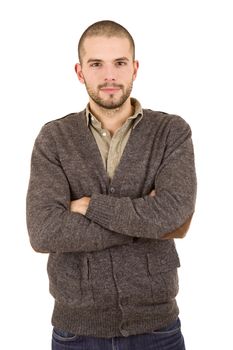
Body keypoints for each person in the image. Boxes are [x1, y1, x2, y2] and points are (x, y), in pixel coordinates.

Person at [26, 20, 197, 350]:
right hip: (76, 331)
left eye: (119, 63)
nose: (109, 76)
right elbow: (43, 231)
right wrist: (147, 221)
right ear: (80, 72)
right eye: (96, 64)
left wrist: (89, 206)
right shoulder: (54, 138)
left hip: (157, 328)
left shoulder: (171, 132)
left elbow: (175, 215)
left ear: (134, 68)